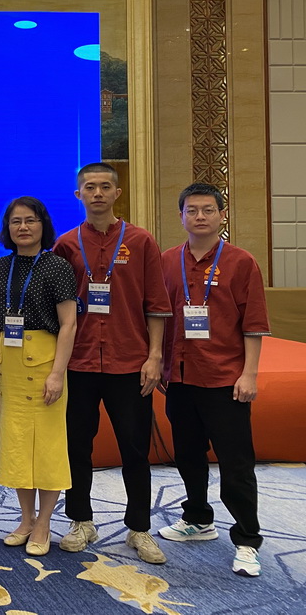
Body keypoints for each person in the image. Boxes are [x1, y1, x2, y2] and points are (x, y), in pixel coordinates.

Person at [53, 162, 172, 565]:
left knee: (135, 450)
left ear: (117, 193)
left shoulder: (141, 241)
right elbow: (58, 309)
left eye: (105, 187)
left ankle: (139, 528)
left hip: (130, 363)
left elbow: (157, 304)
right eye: (90, 187)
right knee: (76, 447)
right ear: (79, 195)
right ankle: (80, 521)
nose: (98, 194)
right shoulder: (66, 245)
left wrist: (154, 356)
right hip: (80, 363)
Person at [158, 182, 269, 578]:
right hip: (180, 377)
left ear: (222, 215)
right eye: (192, 210)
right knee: (188, 455)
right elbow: (160, 317)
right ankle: (198, 517)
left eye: (208, 210)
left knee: (236, 462)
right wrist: (161, 364)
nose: (200, 216)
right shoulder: (168, 261)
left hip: (225, 378)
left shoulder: (241, 262)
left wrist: (249, 374)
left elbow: (254, 323)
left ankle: (247, 538)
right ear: (181, 216)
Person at [0, 196, 77, 556]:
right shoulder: (0, 266)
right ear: (7, 229)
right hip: (8, 361)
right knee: (17, 443)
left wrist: (58, 373)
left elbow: (69, 324)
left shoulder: (57, 266)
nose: (23, 227)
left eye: (30, 220)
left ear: (43, 225)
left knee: (47, 445)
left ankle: (44, 523)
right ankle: (25, 519)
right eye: (16, 221)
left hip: (44, 363)